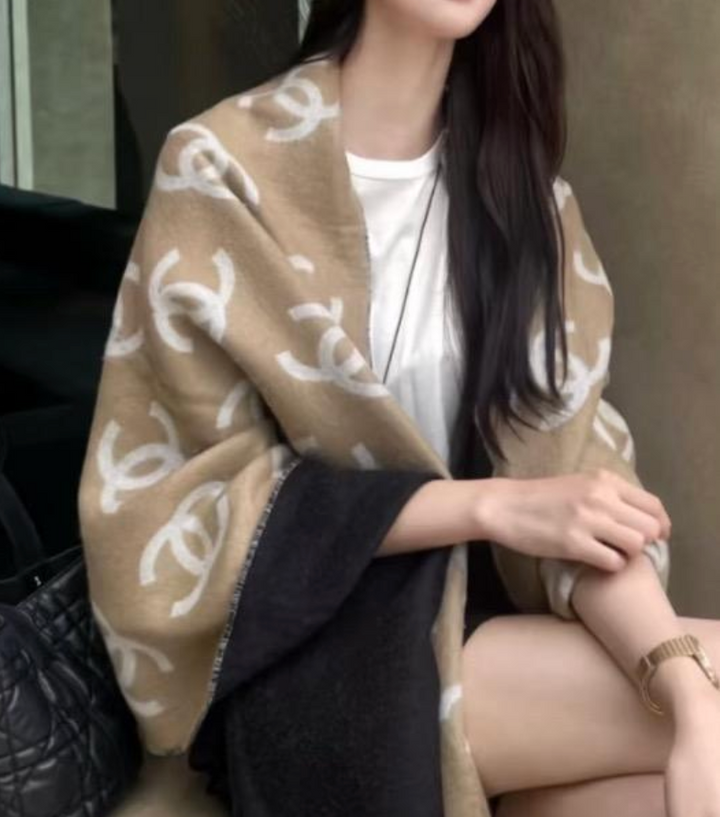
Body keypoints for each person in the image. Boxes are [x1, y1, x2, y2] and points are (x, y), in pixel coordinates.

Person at [77, 1, 720, 816]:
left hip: (484, 638)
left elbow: (581, 495)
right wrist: (488, 506)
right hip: (309, 661)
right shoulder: (221, 171)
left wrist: (687, 690)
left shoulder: (527, 201)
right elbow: (168, 511)